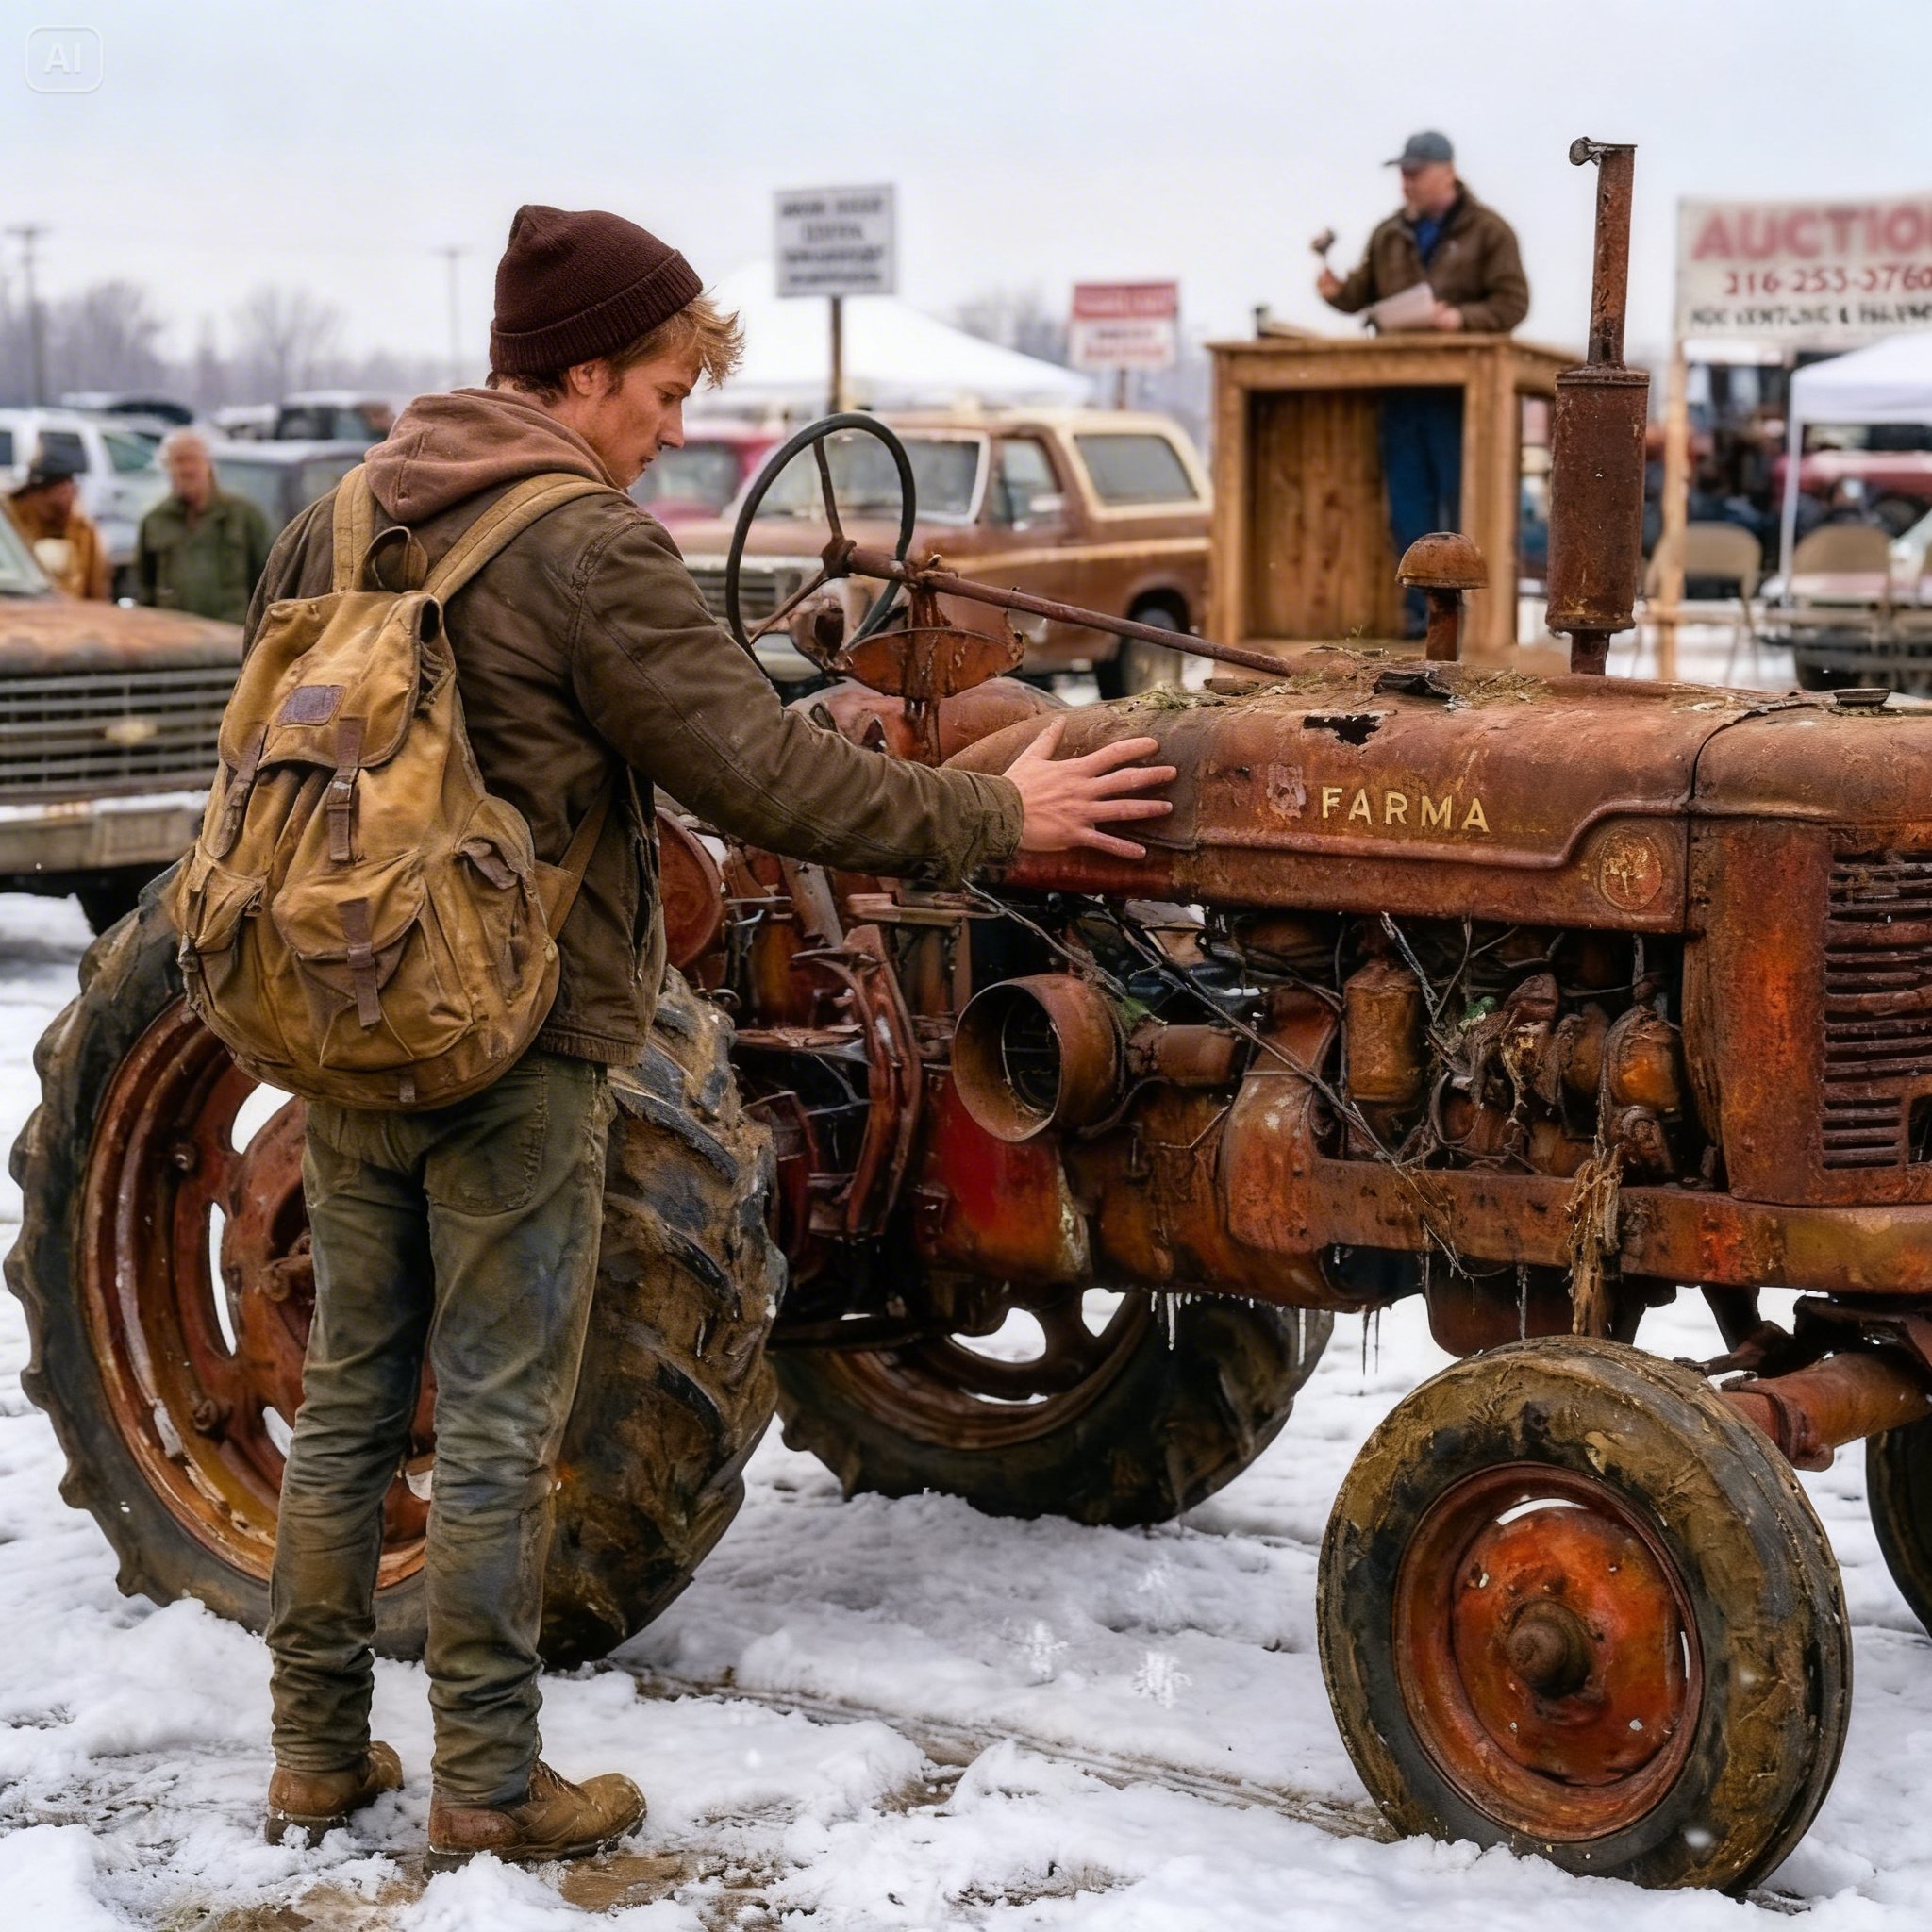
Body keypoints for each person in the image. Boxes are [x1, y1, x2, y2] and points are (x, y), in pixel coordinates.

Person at [253, 203, 1174, 1869]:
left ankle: (315, 1749)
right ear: (581, 369)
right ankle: (486, 1780)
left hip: (346, 1012)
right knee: (498, 1415)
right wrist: (997, 805)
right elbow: (769, 775)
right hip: (512, 1035)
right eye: (664, 390)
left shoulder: (337, 513)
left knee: (344, 1399)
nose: (674, 426)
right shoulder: (585, 546)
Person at [1316, 132, 1530, 636]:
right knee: (1407, 504)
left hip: (1465, 396)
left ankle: (1469, 620)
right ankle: (1421, 618)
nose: (1406, 182)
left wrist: (1459, 319)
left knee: (1462, 501)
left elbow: (1512, 304)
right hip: (1402, 386)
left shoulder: (1489, 231)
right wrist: (1334, 292)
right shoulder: (1388, 234)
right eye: (1403, 173)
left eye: (1415, 172)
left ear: (1447, 172)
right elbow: (1362, 295)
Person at [136, 429, 273, 624]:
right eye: (178, 461)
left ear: (208, 465)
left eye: (192, 460)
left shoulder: (243, 516)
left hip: (232, 637)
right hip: (177, 638)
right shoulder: (155, 522)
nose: (186, 469)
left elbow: (268, 584)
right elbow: (144, 589)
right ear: (168, 468)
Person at [4, 445, 109, 599]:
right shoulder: (11, 520)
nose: (65, 499)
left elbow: (95, 588)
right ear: (34, 494)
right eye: (51, 497)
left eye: (69, 492)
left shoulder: (81, 530)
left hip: (68, 612)